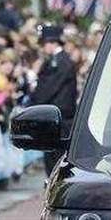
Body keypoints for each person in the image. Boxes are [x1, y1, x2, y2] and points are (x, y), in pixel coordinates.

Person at [30, 24, 78, 176]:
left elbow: (48, 89)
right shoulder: (56, 61)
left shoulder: (61, 62)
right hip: (57, 118)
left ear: (51, 42)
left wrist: (35, 95)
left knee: (56, 162)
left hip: (60, 118)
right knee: (52, 161)